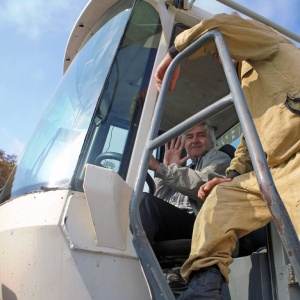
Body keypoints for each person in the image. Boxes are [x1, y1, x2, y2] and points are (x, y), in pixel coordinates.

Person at [154, 12, 300, 299]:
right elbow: (249, 142)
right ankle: (205, 288)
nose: (218, 57)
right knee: (220, 200)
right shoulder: (245, 91)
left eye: (200, 135)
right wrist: (231, 177)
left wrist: (175, 52)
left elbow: (222, 24)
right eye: (189, 137)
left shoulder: (269, 45)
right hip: (270, 174)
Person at [140, 122, 231, 247]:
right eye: (189, 137)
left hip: (200, 224)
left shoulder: (219, 158)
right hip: (175, 222)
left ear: (212, 141)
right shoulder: (181, 172)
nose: (194, 140)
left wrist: (159, 167)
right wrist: (167, 166)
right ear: (185, 144)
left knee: (145, 202)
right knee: (138, 203)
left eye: (200, 135)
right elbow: (157, 196)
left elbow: (201, 185)